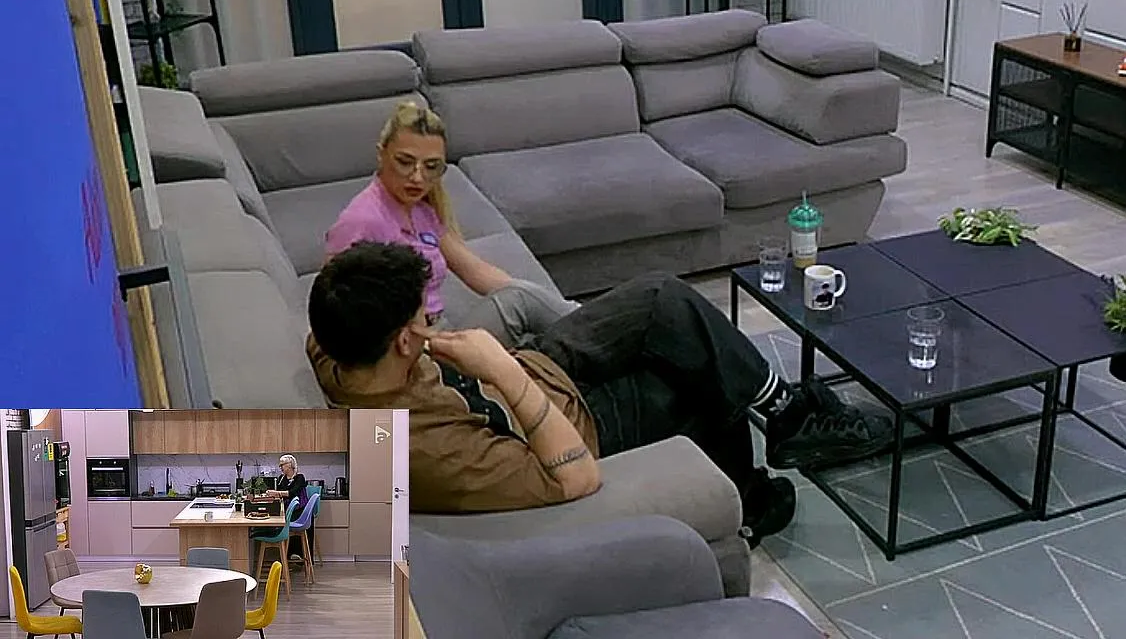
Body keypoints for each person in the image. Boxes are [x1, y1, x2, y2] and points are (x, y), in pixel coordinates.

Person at [306, 241, 892, 546]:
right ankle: (748, 496)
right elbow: (574, 477)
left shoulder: (341, 350)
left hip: (541, 367)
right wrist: (503, 372)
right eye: (424, 317)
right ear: (404, 340)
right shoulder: (428, 454)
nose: (433, 321)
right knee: (696, 378)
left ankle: (785, 414)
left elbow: (324, 321)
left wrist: (507, 366)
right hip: (574, 424)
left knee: (664, 297)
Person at [323, 101, 576, 348]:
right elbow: (333, 306)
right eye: (405, 162)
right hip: (410, 351)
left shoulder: (421, 211)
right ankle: (587, 324)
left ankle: (584, 324)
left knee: (534, 319)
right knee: (521, 303)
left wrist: (535, 301)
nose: (418, 177)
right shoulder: (363, 220)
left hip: (438, 333)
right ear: (381, 154)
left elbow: (474, 270)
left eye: (431, 166)